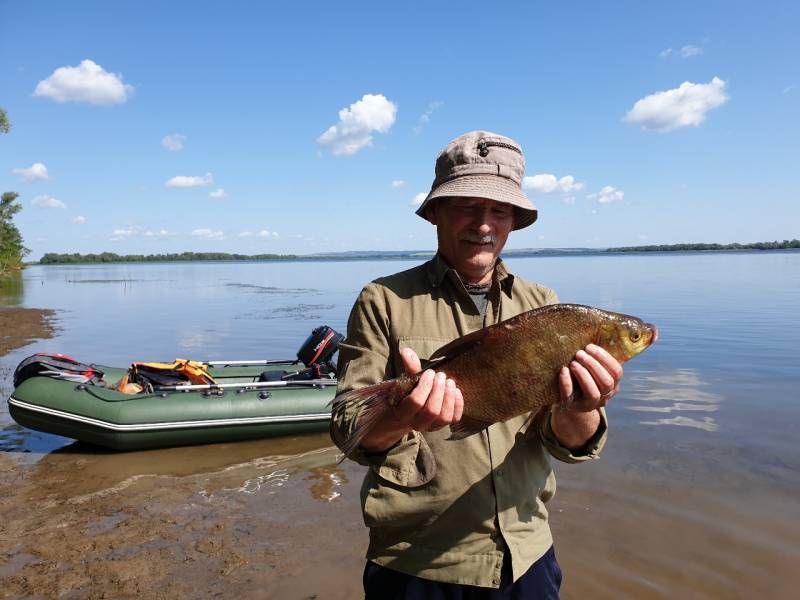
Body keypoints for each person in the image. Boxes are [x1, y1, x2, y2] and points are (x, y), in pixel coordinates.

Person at [331, 130, 624, 599]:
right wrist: (402, 414)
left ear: (513, 221)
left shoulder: (543, 304)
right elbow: (349, 428)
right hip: (416, 561)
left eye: (499, 210)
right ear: (435, 213)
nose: (483, 224)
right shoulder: (383, 300)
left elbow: (569, 444)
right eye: (467, 205)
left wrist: (582, 405)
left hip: (526, 554)